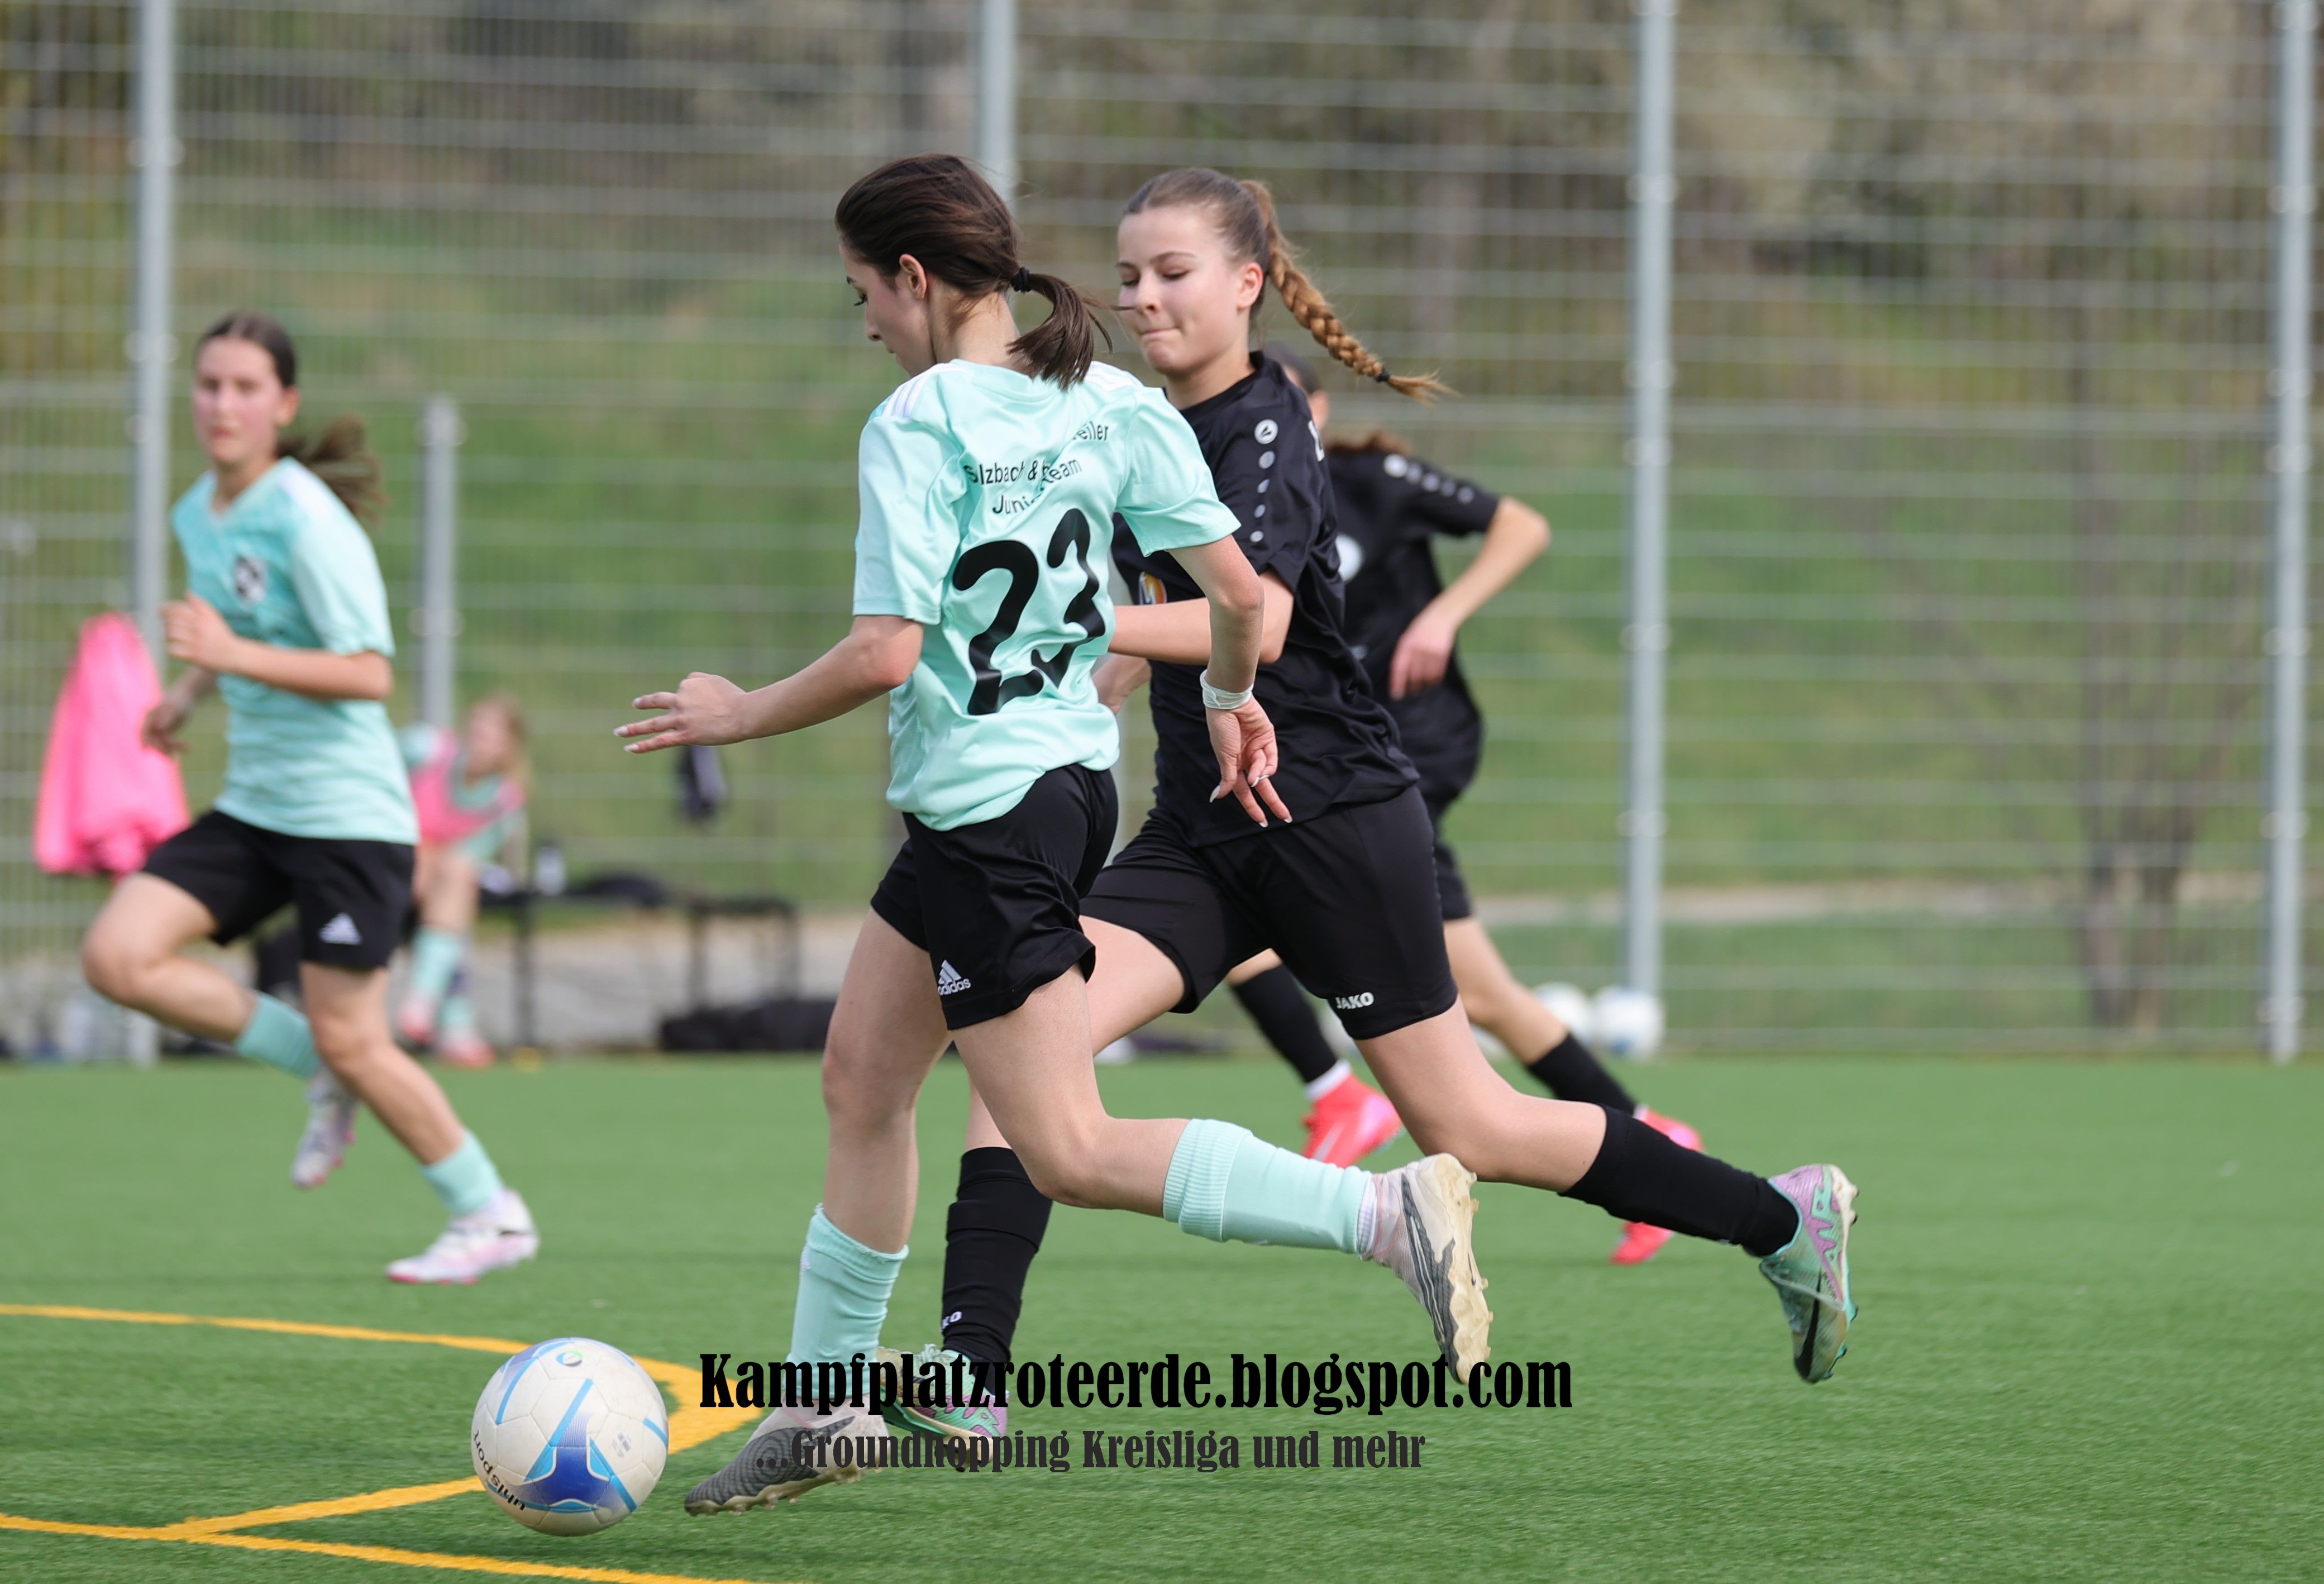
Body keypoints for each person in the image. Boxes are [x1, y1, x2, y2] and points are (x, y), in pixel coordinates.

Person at [876, 168, 1856, 1449]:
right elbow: (1148, 608)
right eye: (1127, 276)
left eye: (1172, 272)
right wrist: (1101, 657)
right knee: (1025, 1049)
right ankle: (971, 1367)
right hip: (1201, 834)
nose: (1143, 297)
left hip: (1332, 821)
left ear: (1246, 283)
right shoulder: (1131, 420)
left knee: (1472, 1124)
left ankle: (1782, 1219)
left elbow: (1263, 617)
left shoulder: (1267, 419)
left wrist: (1071, 624)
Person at [614, 155, 1492, 1515]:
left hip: (992, 813)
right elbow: (1242, 603)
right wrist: (1230, 699)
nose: (863, 322)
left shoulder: (917, 420)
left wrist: (737, 715)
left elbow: (883, 651)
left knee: (1065, 1146)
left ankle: (1385, 1214)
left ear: (915, 278)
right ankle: (822, 1398)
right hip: (1050, 790)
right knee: (861, 1077)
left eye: (861, 291)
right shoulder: (1107, 398)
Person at [78, 311, 539, 1286]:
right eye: (209, 384)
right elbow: (242, 627)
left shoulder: (307, 519)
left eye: (246, 388)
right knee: (118, 956)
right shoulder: (199, 512)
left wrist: (226, 655)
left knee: (358, 1039)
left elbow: (368, 672)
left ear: (283, 404)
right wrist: (187, 694)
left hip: (346, 820)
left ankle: (490, 1212)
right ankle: (319, 1068)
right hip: (257, 806)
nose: (222, 404)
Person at [1222, 342, 1704, 1267]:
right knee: (1479, 992)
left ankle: (1335, 1091)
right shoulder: (1235, 503)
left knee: (1239, 888)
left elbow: (1519, 525)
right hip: (1338, 760)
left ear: (1318, 411)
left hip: (1404, 752)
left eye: (1283, 403)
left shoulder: (1373, 481)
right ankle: (1654, 1142)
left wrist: (1440, 616)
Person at [395, 694, 529, 1067]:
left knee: (457, 876)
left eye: (492, 733)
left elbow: (468, 855)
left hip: (438, 882)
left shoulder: (505, 802)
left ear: (509, 745)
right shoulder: (425, 749)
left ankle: (423, 1007)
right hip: (389, 854)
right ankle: (453, 1020)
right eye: (477, 727)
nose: (480, 738)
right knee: (450, 886)